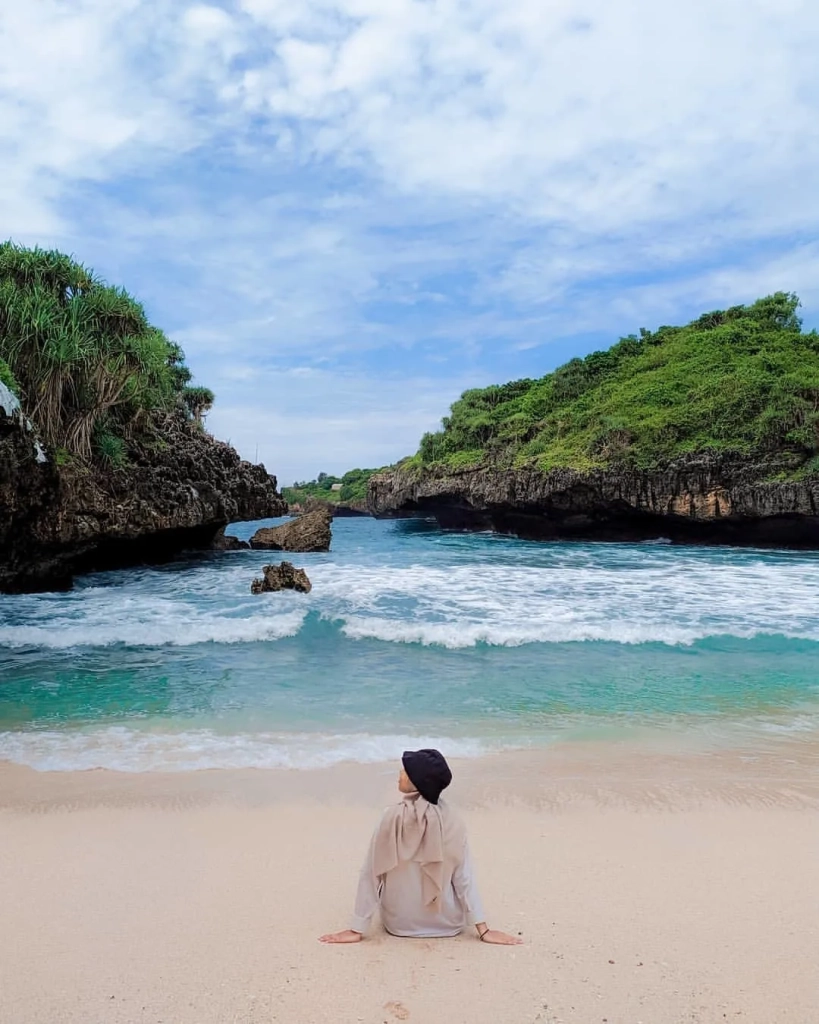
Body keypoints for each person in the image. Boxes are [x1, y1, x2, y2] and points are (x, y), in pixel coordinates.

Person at [319, 749, 522, 945]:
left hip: (399, 923)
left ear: (418, 782)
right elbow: (464, 876)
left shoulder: (390, 818)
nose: (400, 774)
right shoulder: (453, 820)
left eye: (406, 771)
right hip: (448, 924)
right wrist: (483, 929)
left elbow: (371, 873)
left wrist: (358, 927)